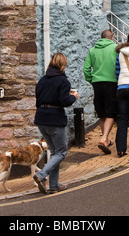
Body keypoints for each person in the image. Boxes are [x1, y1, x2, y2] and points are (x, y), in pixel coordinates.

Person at [33, 52, 78, 194]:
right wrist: (73, 97)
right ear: (63, 65)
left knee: (55, 153)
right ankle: (41, 175)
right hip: (54, 120)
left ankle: (54, 186)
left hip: (41, 119)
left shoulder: (42, 80)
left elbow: (38, 101)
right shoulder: (63, 81)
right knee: (61, 152)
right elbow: (65, 101)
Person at [83, 29, 117, 154]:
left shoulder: (93, 50)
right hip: (111, 82)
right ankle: (103, 138)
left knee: (101, 113)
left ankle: (106, 139)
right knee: (111, 112)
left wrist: (91, 80)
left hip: (97, 83)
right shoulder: (115, 48)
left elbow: (86, 68)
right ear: (111, 38)